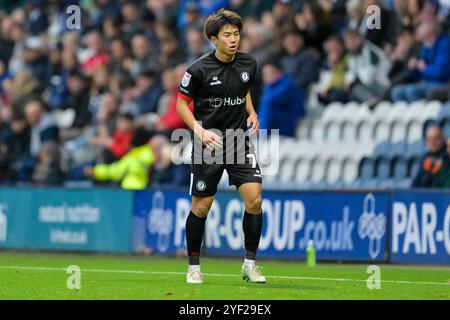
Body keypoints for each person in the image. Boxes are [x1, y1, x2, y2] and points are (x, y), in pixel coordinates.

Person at [176, 9, 265, 284]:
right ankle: (193, 267)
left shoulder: (249, 64)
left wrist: (251, 112)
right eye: (227, 35)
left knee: (255, 201)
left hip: (238, 142)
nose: (233, 39)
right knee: (201, 208)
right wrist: (199, 131)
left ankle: (250, 264)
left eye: (236, 34)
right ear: (214, 39)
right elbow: (181, 105)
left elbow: (244, 90)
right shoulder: (198, 70)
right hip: (208, 144)